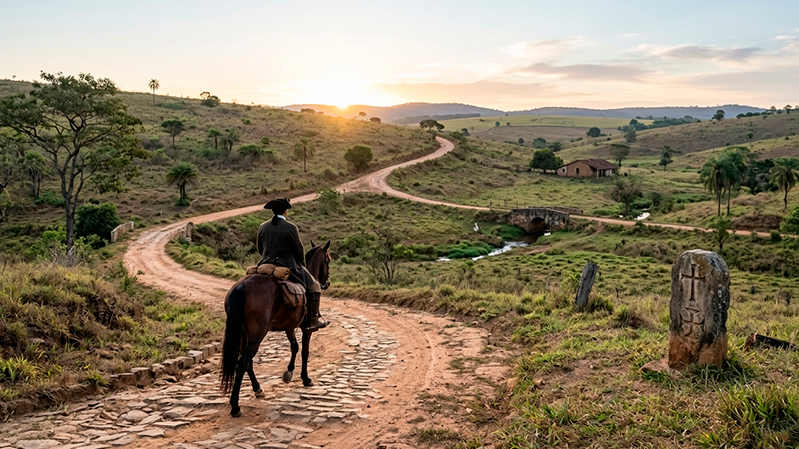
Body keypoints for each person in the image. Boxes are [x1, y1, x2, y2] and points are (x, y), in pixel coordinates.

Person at [257, 197, 329, 331]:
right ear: (285, 211)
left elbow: (260, 249)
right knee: (315, 286)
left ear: (273, 211)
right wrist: (301, 264)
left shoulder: (263, 227)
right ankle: (313, 320)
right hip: (288, 266)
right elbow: (299, 250)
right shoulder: (291, 228)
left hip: (265, 265)